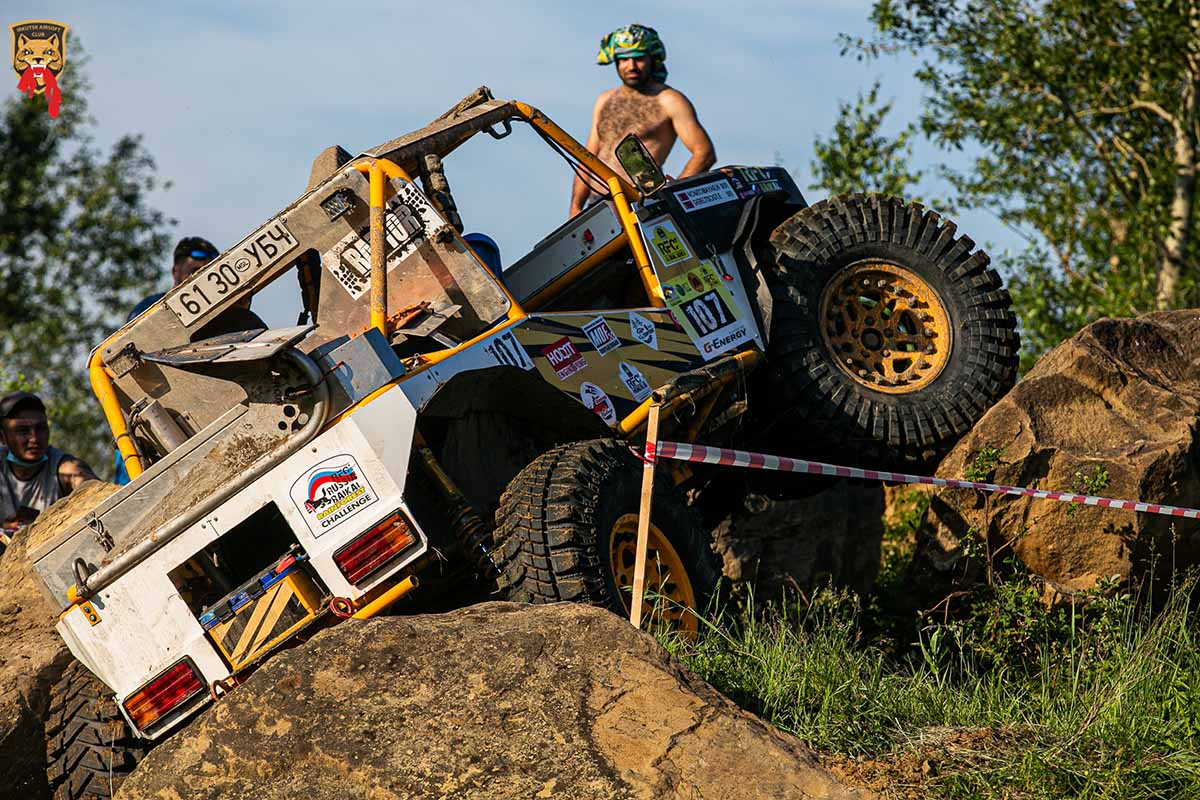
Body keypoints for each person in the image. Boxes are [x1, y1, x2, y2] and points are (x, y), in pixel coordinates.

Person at [569, 24, 716, 217]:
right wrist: (576, 206)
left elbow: (704, 152)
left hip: (639, 203)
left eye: (638, 58)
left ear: (651, 59)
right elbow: (588, 156)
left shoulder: (669, 100)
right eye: (624, 59)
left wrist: (673, 194)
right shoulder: (604, 100)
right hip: (598, 204)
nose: (631, 66)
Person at [0, 391, 98, 544]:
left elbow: (95, 493)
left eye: (41, 428)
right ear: (2, 437)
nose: (34, 438)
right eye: (23, 431)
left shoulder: (66, 469)